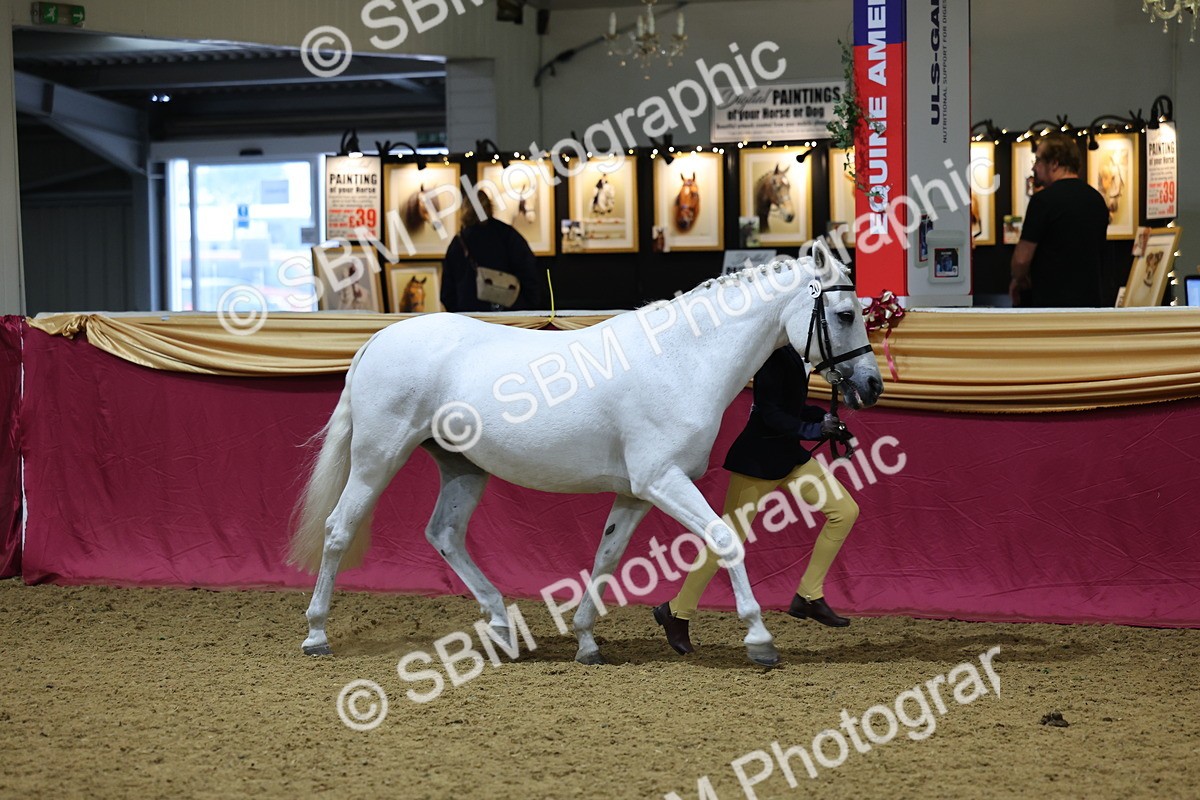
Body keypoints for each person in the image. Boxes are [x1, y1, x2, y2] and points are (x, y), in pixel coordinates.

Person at [653, 345, 860, 655]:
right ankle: (676, 611)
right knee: (726, 542)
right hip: (758, 462)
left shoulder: (794, 355)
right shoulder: (771, 357)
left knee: (845, 511)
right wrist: (814, 429)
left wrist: (825, 420)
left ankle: (808, 595)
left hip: (790, 458)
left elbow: (792, 407)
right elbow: (770, 413)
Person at [1009, 134, 1111, 307]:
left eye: (1038, 160)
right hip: (1090, 305)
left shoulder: (1042, 201)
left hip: (1051, 307)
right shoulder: (1097, 200)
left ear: (1054, 163)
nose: (1034, 167)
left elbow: (1021, 260)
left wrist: (1018, 279)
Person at [441, 191, 541, 312]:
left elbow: (447, 292)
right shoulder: (507, 234)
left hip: (468, 315)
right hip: (507, 313)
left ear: (465, 210)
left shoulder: (458, 242)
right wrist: (525, 306)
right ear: (489, 207)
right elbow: (530, 272)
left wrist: (459, 312)